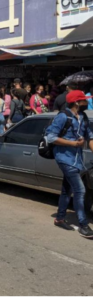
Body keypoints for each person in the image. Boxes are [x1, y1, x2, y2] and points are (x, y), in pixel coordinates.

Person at [46, 90, 93, 238]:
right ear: (77, 103)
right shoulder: (62, 117)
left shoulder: (83, 117)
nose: (87, 102)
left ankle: (59, 219)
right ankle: (83, 225)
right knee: (80, 190)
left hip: (77, 160)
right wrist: (73, 143)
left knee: (67, 190)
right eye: (85, 100)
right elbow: (50, 137)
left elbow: (90, 137)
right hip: (64, 158)